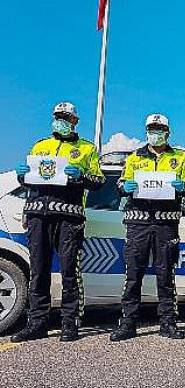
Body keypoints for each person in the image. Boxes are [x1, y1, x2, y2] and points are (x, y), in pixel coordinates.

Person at [11, 102, 105, 342]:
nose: (61, 120)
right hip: (37, 216)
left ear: (75, 121)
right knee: (38, 271)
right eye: (58, 116)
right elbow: (29, 182)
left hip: (68, 217)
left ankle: (69, 323)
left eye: (66, 117)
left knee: (69, 272)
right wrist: (22, 176)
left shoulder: (87, 149)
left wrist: (81, 176)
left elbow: (98, 181)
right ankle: (37, 323)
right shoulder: (40, 145)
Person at [110, 114, 185, 341]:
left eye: (159, 129)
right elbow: (120, 183)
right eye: (152, 128)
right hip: (138, 223)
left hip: (166, 224)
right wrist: (124, 186)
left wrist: (182, 187)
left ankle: (168, 322)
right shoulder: (135, 157)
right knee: (133, 275)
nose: (155, 133)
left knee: (165, 275)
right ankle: (128, 323)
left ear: (168, 132)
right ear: (146, 131)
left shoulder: (181, 157)